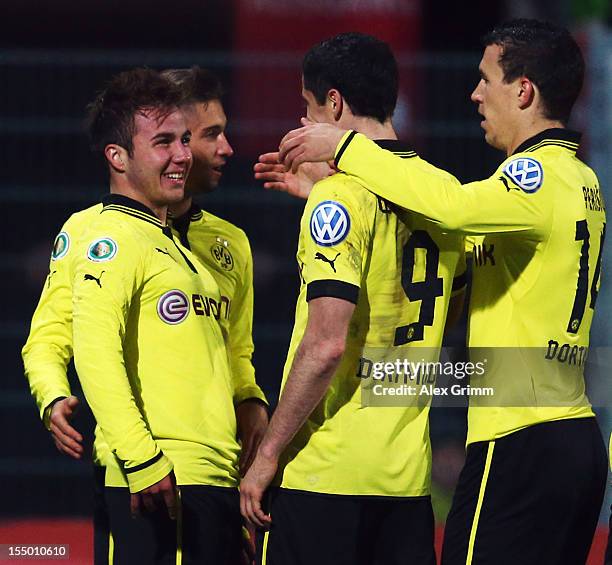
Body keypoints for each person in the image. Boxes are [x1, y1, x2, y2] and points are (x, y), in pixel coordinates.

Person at [276, 19, 608, 565]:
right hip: (572, 435)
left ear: (523, 91)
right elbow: (452, 235)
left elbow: (451, 205)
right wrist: (336, 200)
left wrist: (347, 149)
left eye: (486, 79)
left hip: (517, 439)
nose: (475, 93)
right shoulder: (578, 179)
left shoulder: (531, 176)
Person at [22, 67, 267, 564]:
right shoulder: (100, 234)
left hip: (217, 476)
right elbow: (63, 340)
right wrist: (53, 395)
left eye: (186, 140)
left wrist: (251, 403)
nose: (219, 149)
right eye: (209, 135)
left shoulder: (227, 243)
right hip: (153, 471)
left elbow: (234, 352)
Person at [240, 32, 466, 565]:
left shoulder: (340, 199)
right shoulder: (442, 192)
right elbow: (448, 315)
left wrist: (268, 455)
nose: (301, 122)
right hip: (406, 484)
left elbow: (326, 346)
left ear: (334, 103)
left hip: (326, 475)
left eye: (307, 107)